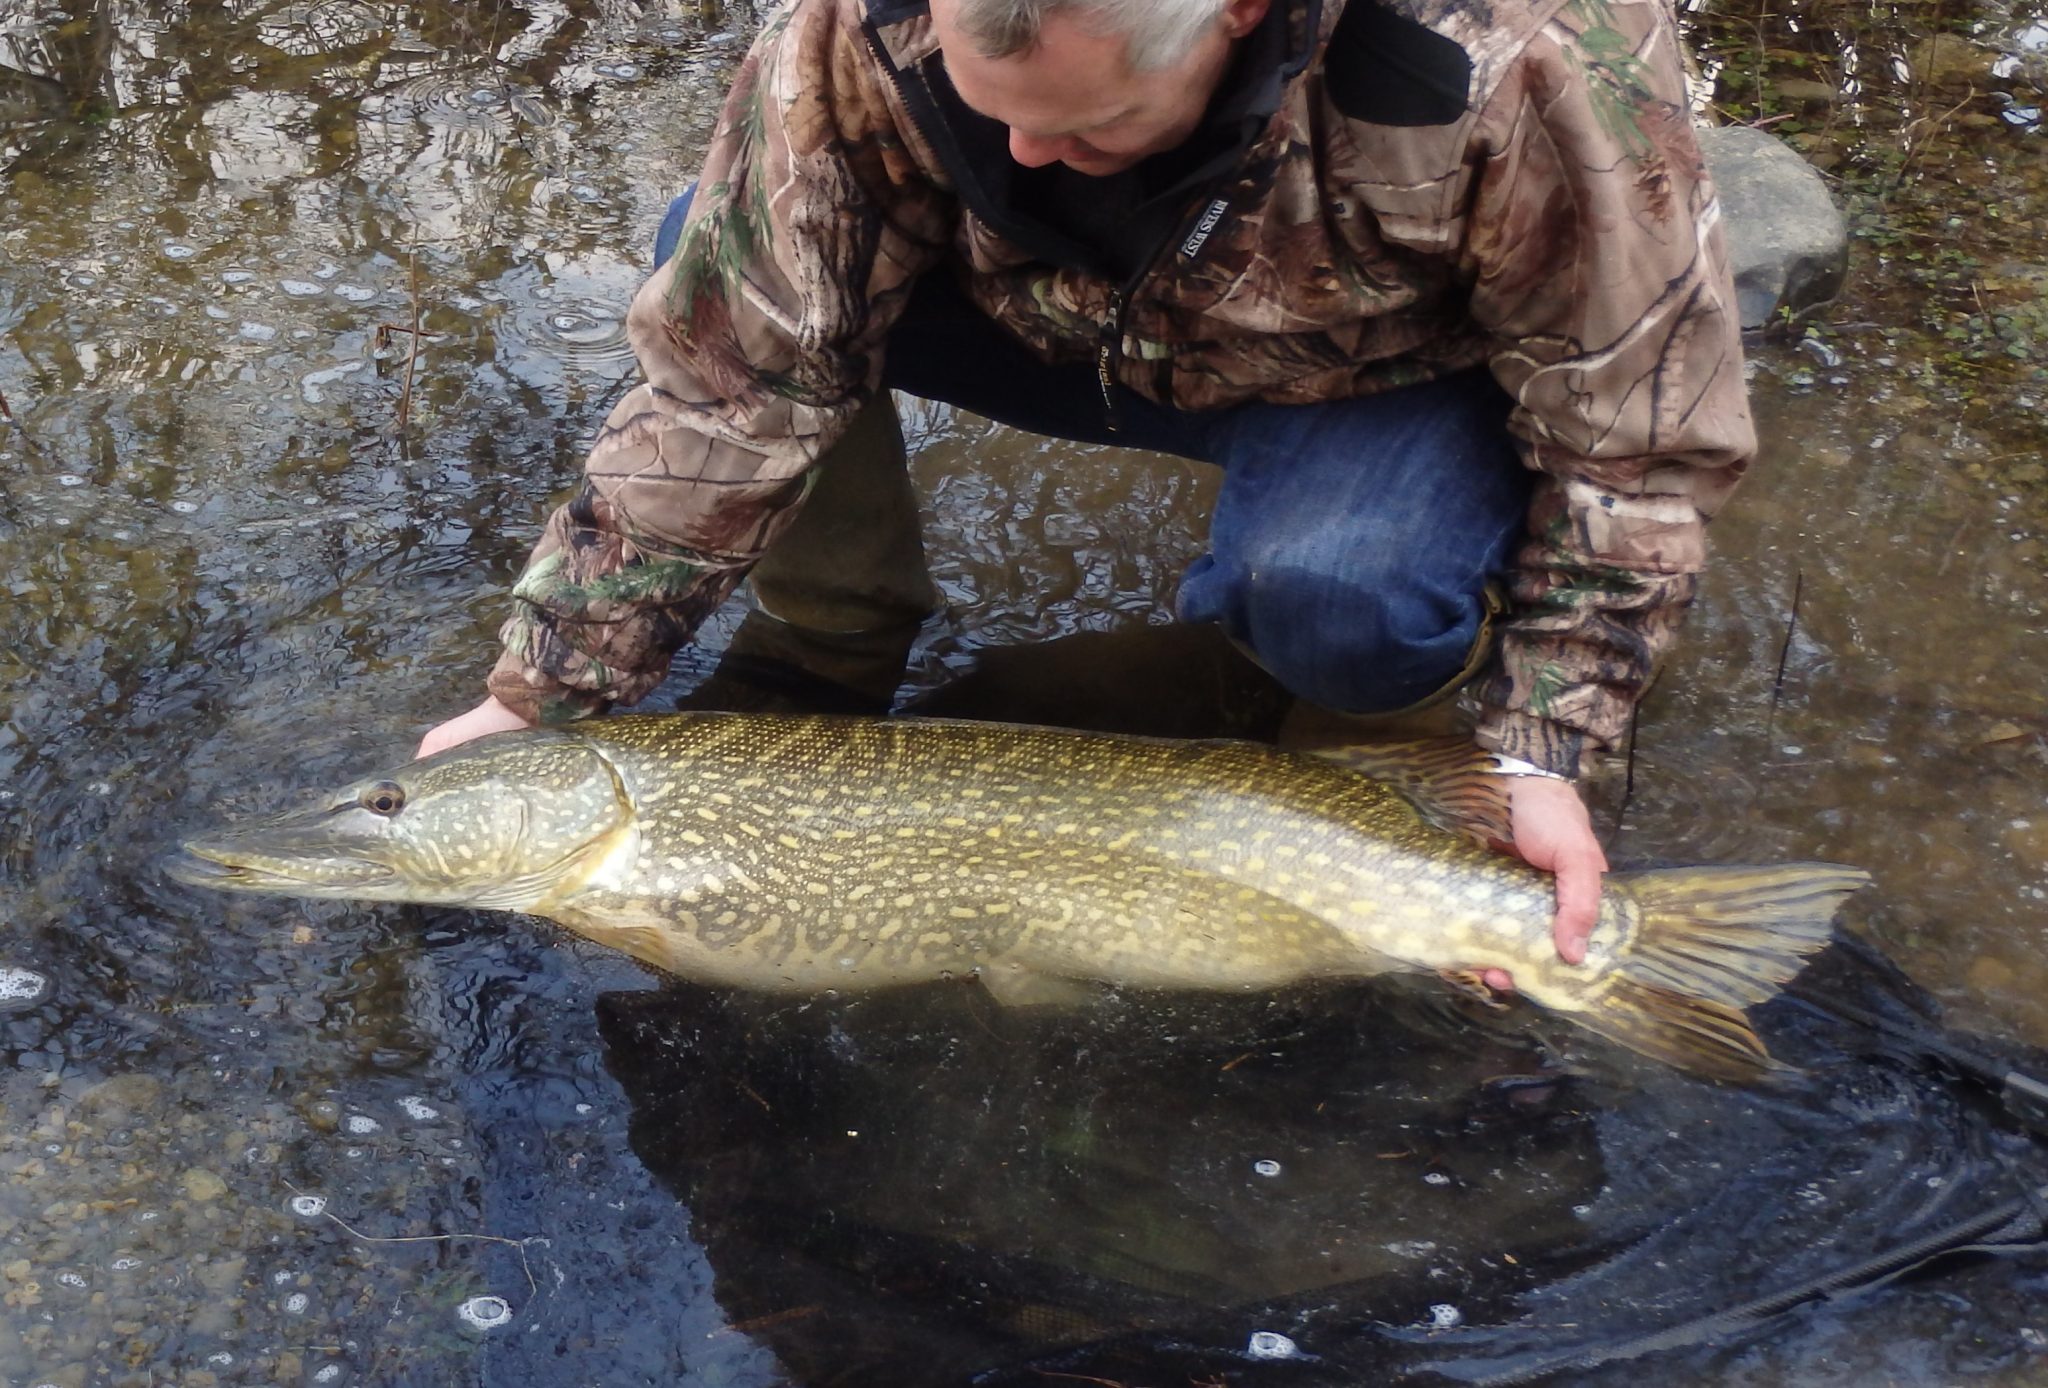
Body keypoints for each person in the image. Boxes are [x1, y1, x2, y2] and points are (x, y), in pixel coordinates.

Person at [419, 0, 1754, 978]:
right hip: (1055, 322)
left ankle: (1363, 725)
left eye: (1091, 118)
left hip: (1372, 378)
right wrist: (542, 689)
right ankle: (832, 632)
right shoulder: (857, 31)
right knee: (713, 253)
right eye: (990, 109)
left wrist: (1542, 750)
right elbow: (728, 381)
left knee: (1342, 599)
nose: (1024, 153)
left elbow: (1637, 440)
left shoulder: (1534, 58)